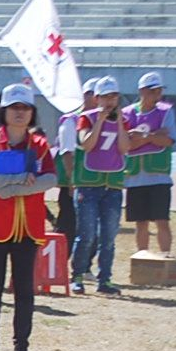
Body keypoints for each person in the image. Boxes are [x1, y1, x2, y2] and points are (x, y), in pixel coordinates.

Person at [0, 84, 57, 351]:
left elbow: (50, 179)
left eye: (25, 108)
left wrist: (12, 190)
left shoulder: (40, 146)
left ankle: (22, 347)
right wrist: (15, 180)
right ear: (4, 111)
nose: (20, 113)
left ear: (32, 113)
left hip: (27, 227)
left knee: (24, 289)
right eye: (14, 108)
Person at [71, 74, 127, 294]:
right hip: (88, 184)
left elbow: (124, 147)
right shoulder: (87, 118)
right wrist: (101, 121)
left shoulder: (123, 118)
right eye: (105, 97)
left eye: (114, 96)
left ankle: (106, 279)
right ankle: (78, 274)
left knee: (109, 237)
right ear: (97, 98)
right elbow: (87, 144)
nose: (110, 101)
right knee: (87, 234)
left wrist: (120, 123)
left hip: (112, 185)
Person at [123, 71, 176, 254]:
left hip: (159, 176)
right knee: (140, 221)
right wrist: (155, 136)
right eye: (152, 91)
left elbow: (168, 139)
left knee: (162, 220)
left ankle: (166, 256)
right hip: (134, 176)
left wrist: (145, 137)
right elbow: (127, 142)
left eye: (159, 91)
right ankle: (142, 257)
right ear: (142, 91)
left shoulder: (166, 111)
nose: (157, 95)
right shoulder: (127, 113)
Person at [52, 79, 96, 243]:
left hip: (93, 182)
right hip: (73, 184)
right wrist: (72, 180)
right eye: (94, 94)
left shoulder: (100, 120)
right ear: (85, 96)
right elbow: (67, 152)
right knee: (68, 226)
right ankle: (59, 263)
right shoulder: (72, 120)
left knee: (89, 229)